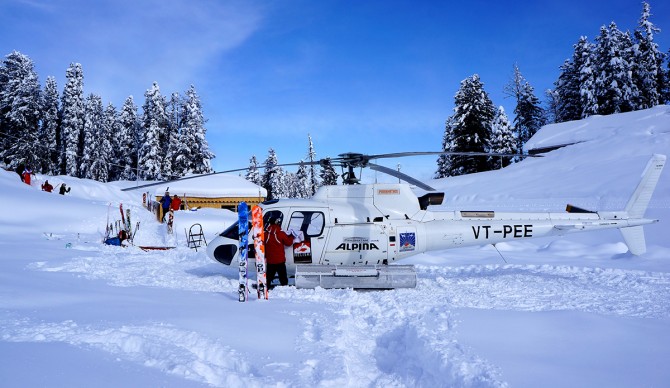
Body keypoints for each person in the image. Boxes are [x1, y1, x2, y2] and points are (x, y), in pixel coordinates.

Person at [264, 216, 294, 287]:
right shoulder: (281, 233)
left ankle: (266, 287)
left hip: (270, 260)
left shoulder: (265, 234)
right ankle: (284, 287)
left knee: (269, 275)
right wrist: (292, 236)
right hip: (280, 260)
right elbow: (288, 243)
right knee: (282, 276)